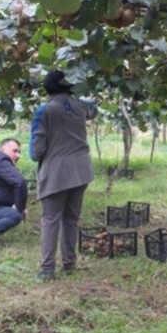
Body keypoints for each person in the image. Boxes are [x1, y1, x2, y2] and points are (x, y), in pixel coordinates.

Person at [30, 70, 97, 281]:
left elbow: (37, 150)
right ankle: (69, 263)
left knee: (50, 219)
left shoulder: (44, 111)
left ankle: (47, 269)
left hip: (57, 172)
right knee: (71, 218)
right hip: (81, 170)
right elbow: (93, 109)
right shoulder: (81, 107)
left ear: (47, 88)